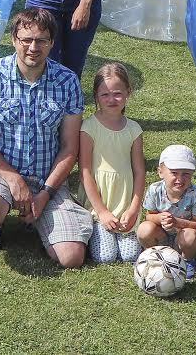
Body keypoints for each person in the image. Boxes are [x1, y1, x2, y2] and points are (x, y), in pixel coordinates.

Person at [0, 7, 92, 267]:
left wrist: (45, 193)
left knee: (72, 258)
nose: (33, 47)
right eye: (26, 39)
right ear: (14, 40)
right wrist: (14, 180)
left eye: (41, 40)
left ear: (51, 43)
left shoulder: (67, 82)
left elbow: (70, 147)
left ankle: (37, 216)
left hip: (47, 178)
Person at [77, 63, 145, 263]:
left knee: (131, 255)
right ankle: (96, 227)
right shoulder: (89, 127)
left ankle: (125, 225)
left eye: (117, 93)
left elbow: (139, 171)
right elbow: (85, 171)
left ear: (128, 93)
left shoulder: (134, 129)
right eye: (104, 94)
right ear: (96, 96)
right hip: (99, 203)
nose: (111, 99)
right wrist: (102, 211)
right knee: (105, 257)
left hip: (125, 201)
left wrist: (133, 209)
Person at [138, 145, 196, 279]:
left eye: (186, 174)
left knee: (192, 236)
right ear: (160, 172)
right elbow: (149, 216)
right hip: (161, 235)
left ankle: (186, 260)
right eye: (174, 173)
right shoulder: (154, 190)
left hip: (182, 237)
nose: (180, 179)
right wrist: (160, 218)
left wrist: (176, 222)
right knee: (144, 229)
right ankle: (151, 256)